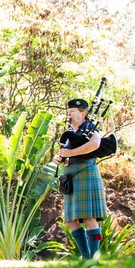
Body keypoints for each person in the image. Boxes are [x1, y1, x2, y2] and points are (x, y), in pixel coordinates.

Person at [53, 98, 108, 258]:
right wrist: (60, 158)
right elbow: (67, 151)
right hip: (71, 175)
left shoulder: (89, 127)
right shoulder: (71, 132)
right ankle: (86, 257)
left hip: (86, 172)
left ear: (83, 113)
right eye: (68, 112)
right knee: (71, 221)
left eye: (72, 112)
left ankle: (93, 259)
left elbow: (94, 144)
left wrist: (70, 153)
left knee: (89, 218)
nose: (69, 114)